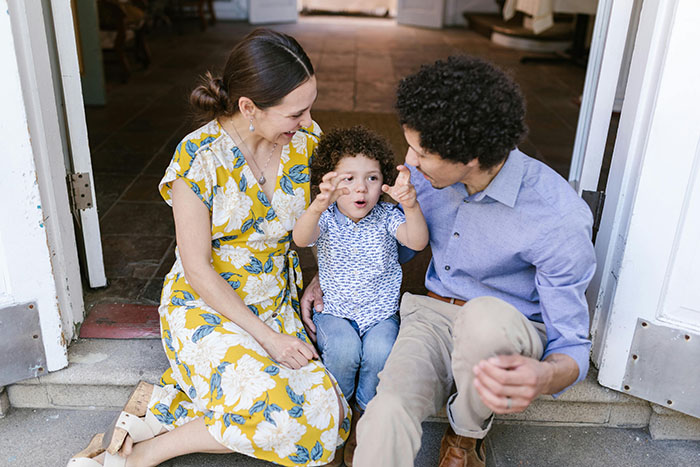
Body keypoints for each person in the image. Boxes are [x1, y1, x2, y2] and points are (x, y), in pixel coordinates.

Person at [68, 29, 350, 467]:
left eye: (309, 107)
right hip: (207, 302)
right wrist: (269, 339)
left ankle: (158, 413)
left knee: (326, 414)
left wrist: (318, 276)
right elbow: (197, 268)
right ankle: (139, 457)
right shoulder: (198, 159)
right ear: (248, 107)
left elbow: (328, 218)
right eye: (296, 112)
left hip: (274, 298)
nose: (308, 120)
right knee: (281, 415)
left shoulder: (306, 142)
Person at [300, 55, 597, 467]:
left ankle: (464, 438)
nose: (410, 160)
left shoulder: (556, 216)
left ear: (470, 158)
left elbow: (572, 344)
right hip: (431, 316)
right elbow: (388, 246)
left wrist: (544, 376)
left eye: (421, 152)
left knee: (482, 319)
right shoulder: (424, 179)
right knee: (385, 413)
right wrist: (329, 274)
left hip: (509, 325)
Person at [292, 126, 429, 465]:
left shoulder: (386, 218)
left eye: (371, 178)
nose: (360, 188)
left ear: (383, 183)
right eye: (348, 179)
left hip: (380, 313)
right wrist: (315, 207)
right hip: (335, 310)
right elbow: (301, 238)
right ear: (330, 182)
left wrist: (411, 207)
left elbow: (417, 243)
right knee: (343, 349)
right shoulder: (325, 218)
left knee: (380, 352)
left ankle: (363, 421)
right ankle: (336, 420)